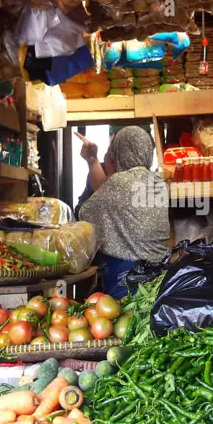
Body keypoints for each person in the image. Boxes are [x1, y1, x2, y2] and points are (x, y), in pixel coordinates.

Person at [76, 127, 169, 298]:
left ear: (119, 153)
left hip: (127, 276)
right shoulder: (158, 182)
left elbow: (85, 214)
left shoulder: (119, 182)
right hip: (158, 274)